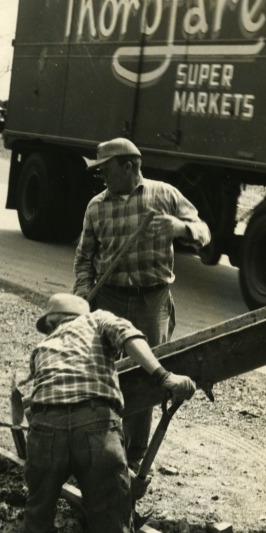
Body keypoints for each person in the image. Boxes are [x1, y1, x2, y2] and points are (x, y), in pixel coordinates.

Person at [9, 293, 197, 533]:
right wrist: (164, 377)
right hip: (96, 424)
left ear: (51, 322)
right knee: (112, 531)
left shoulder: (41, 348)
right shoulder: (98, 320)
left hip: (43, 429)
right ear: (81, 313)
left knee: (38, 517)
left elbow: (20, 406)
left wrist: (30, 448)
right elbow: (131, 339)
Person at [72, 137, 210, 473]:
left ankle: (134, 457)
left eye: (106, 170)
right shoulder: (96, 207)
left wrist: (180, 227)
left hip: (153, 300)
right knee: (101, 373)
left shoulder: (163, 195)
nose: (101, 177)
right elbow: (84, 259)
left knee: (149, 374)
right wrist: (81, 299)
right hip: (109, 301)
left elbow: (204, 233)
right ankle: (100, 446)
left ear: (130, 166)